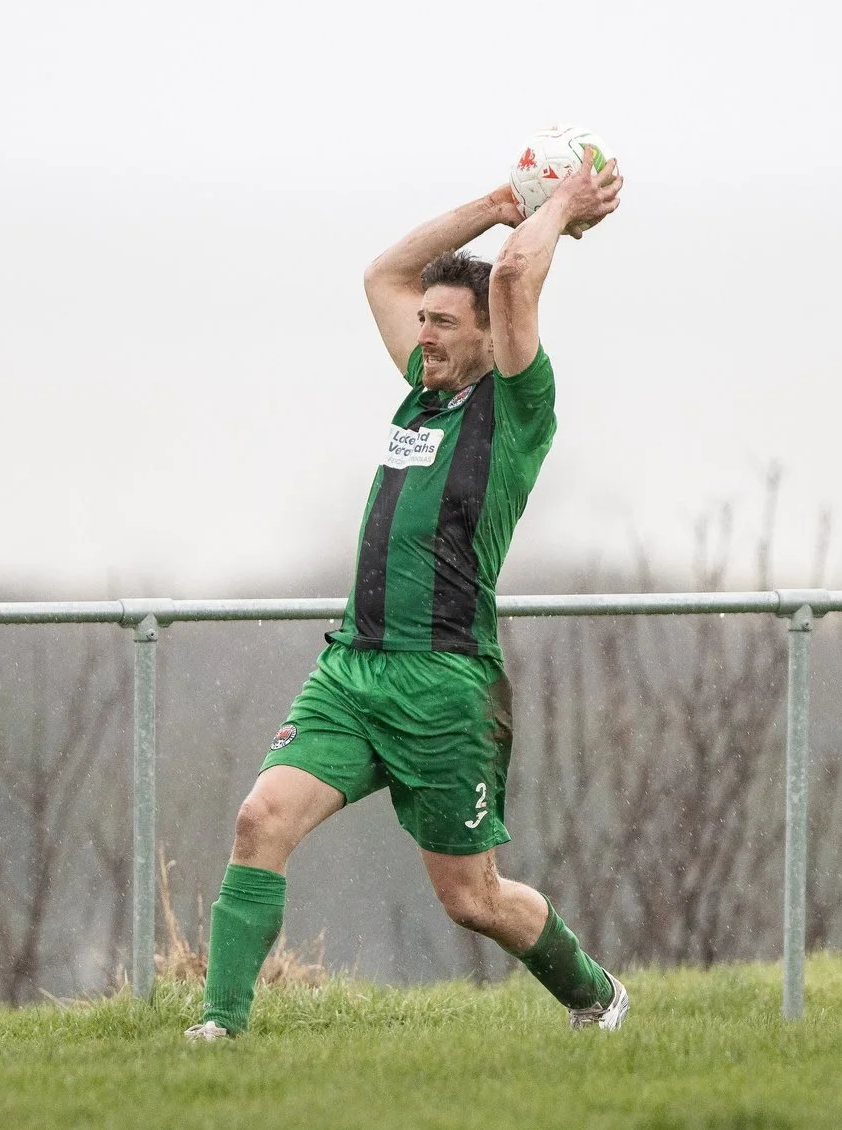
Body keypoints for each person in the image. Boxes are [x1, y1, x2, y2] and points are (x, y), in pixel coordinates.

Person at [189, 152, 626, 1040]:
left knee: (473, 898)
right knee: (260, 819)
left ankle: (596, 997)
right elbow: (382, 273)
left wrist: (562, 206)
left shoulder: (513, 408)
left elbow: (509, 275)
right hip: (352, 673)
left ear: (485, 337)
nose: (421, 334)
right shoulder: (419, 399)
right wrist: (499, 202)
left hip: (444, 685)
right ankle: (219, 1030)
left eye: (441, 325)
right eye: (419, 322)